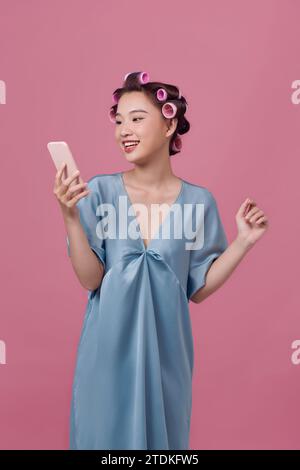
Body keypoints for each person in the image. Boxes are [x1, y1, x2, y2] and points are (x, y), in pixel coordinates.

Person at [53, 72, 269, 450]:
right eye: (119, 121)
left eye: (137, 118)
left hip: (168, 359)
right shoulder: (99, 191)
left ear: (169, 124)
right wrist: (70, 216)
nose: (124, 130)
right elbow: (90, 280)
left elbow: (197, 289)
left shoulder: (199, 202)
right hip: (105, 355)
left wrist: (243, 243)